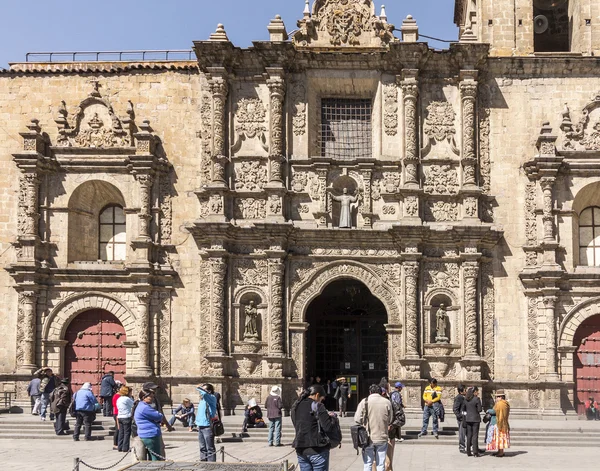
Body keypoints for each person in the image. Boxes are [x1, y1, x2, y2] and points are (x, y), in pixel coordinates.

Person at [291, 384, 337, 471]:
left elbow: (296, 424)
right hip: (317, 449)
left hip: (301, 449)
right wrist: (332, 418)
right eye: (321, 399)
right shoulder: (318, 406)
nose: (321, 401)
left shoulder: (296, 405)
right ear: (317, 395)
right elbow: (328, 427)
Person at [355, 384, 392, 471]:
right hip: (382, 437)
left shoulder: (364, 402)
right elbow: (390, 419)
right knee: (380, 464)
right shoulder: (387, 402)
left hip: (368, 437)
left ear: (370, 392)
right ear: (380, 392)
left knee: (368, 463)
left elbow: (357, 419)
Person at [134, 389, 165, 461]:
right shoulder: (145, 408)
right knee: (156, 457)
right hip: (150, 434)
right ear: (143, 397)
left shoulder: (141, 405)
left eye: (153, 396)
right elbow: (159, 416)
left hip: (144, 433)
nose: (153, 398)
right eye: (150, 397)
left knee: (152, 456)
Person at [196, 383, 218, 462]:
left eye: (204, 389)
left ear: (209, 391)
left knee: (210, 448)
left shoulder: (212, 398)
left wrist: (199, 387)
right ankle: (203, 462)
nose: (201, 392)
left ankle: (211, 465)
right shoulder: (202, 400)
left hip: (208, 426)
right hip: (201, 426)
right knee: (202, 447)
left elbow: (204, 393)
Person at [486, 390, 510, 457]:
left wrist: (489, 410)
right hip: (503, 422)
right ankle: (499, 451)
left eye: (497, 397)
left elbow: (495, 411)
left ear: (501, 397)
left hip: (499, 423)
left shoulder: (500, 404)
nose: (496, 398)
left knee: (500, 437)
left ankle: (501, 452)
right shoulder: (505, 403)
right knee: (500, 438)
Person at [461, 386, 482, 457]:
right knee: (475, 435)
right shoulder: (477, 399)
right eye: (477, 391)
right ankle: (475, 452)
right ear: (474, 392)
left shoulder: (465, 399)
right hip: (475, 419)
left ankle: (468, 451)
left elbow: (463, 409)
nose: (478, 393)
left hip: (468, 419)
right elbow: (479, 410)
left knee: (469, 435)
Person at [116, 386, 134, 452]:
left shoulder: (119, 398)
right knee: (127, 433)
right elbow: (133, 405)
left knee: (121, 432)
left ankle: (120, 446)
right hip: (126, 416)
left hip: (120, 416)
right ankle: (125, 448)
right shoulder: (127, 399)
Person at [452, 384, 467, 453]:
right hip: (462, 419)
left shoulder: (464, 397)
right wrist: (460, 416)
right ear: (461, 391)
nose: (466, 391)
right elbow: (455, 408)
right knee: (462, 433)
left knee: (467, 433)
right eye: (465, 390)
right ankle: (461, 446)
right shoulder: (459, 398)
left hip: (465, 417)